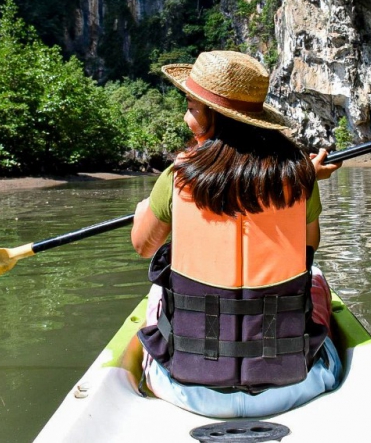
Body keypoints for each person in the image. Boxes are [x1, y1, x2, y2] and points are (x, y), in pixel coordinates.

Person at [131, 50, 343, 418]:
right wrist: (305, 178)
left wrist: (144, 210)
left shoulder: (177, 177)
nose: (186, 118)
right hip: (294, 386)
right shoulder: (300, 179)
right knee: (318, 280)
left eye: (192, 109)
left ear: (214, 118)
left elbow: (143, 245)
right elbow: (309, 247)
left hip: (186, 389)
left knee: (156, 291)